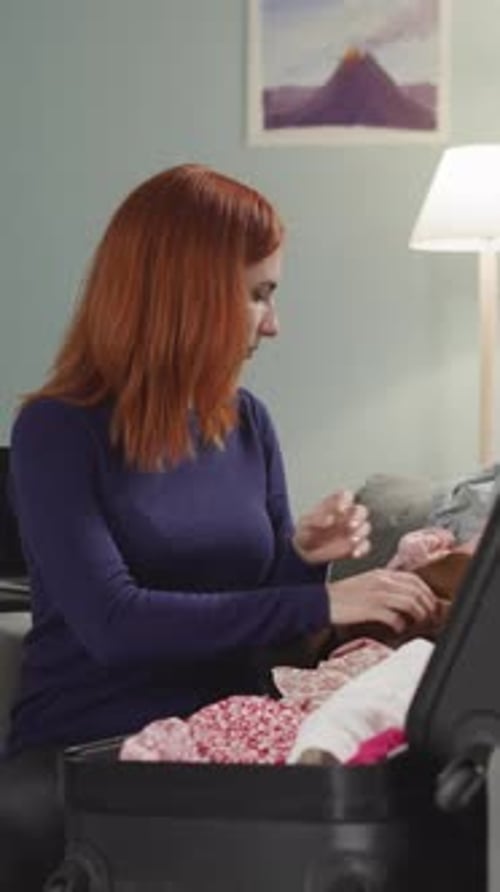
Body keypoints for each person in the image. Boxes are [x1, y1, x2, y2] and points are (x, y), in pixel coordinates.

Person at [7, 163, 437, 754]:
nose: (274, 325)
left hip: (231, 734)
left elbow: (265, 638)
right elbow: (114, 624)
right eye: (258, 295)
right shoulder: (56, 430)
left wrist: (300, 559)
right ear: (189, 294)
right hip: (96, 745)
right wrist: (320, 599)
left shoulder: (246, 422)